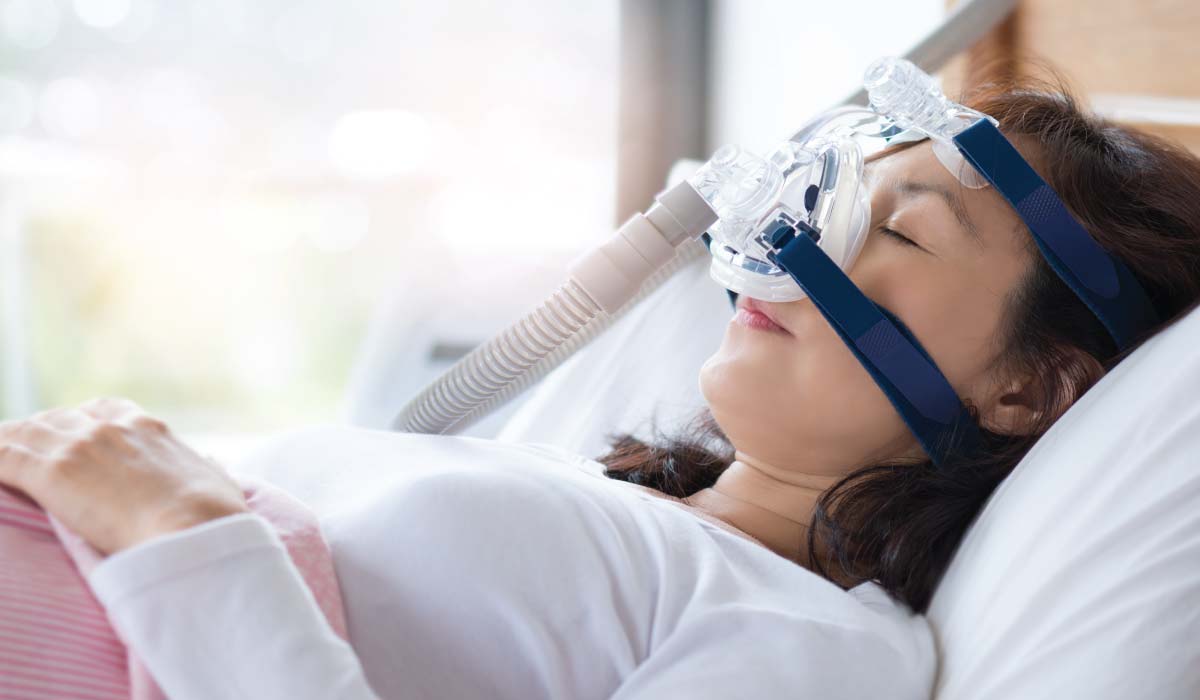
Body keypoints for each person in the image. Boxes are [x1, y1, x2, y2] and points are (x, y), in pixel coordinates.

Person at [3, 78, 1200, 700]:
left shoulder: (818, 648)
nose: (798, 244)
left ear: (1029, 390)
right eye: (833, 195)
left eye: (899, 231)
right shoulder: (589, 490)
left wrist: (185, 530)